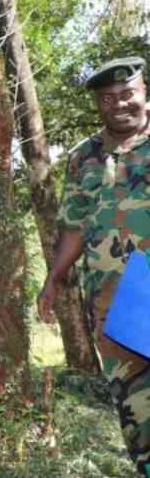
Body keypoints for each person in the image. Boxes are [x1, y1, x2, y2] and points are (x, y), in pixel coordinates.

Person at [38, 56, 150, 478]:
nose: (120, 104)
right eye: (108, 99)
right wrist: (52, 280)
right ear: (99, 105)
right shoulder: (84, 156)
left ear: (143, 93)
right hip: (113, 305)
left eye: (128, 94)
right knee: (133, 403)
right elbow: (74, 226)